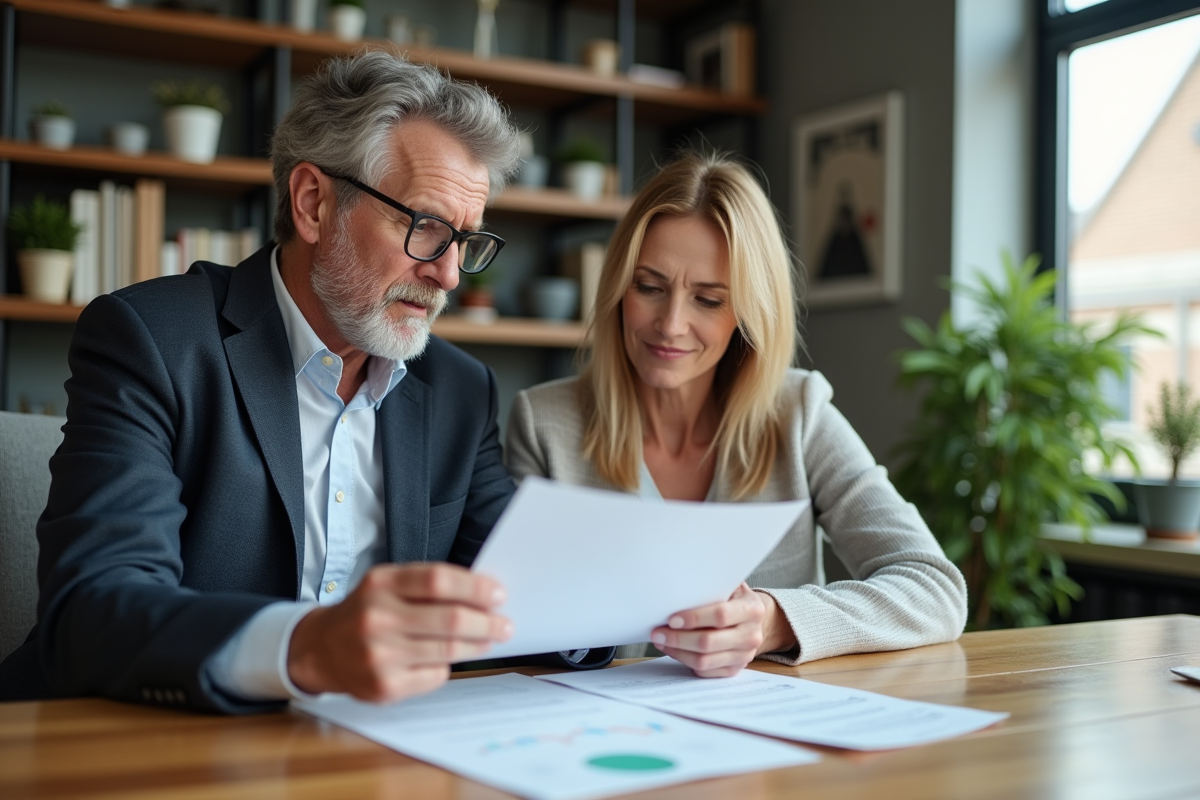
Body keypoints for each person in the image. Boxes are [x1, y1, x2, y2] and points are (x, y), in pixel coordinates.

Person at [0, 52, 610, 711]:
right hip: (135, 738)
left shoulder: (460, 391)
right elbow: (92, 611)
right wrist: (307, 647)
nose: (450, 274)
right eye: (426, 227)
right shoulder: (151, 340)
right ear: (314, 203)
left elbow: (525, 595)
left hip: (356, 747)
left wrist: (659, 613)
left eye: (465, 239)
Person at [506, 151, 968, 678]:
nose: (671, 324)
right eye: (649, 287)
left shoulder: (799, 414)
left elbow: (936, 588)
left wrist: (774, 621)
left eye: (708, 300)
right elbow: (514, 618)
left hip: (768, 724)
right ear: (617, 288)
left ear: (748, 312)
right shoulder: (543, 424)